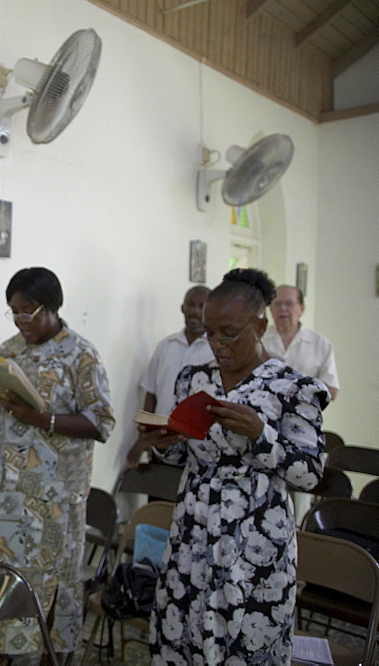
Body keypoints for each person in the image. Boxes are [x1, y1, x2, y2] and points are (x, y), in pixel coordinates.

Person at [130, 268, 328, 664]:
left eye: (229, 332)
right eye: (210, 333)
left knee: (243, 644)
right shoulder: (194, 380)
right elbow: (189, 453)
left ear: (260, 325)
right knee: (183, 637)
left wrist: (261, 435)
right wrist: (167, 445)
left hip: (254, 544)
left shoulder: (293, 388)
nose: (217, 344)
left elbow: (310, 473)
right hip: (193, 536)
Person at [0, 267, 115, 657]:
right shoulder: (10, 350)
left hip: (51, 501)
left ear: (52, 307)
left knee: (46, 583)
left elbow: (102, 422)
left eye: (27, 311)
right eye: (13, 311)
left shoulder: (80, 355)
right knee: (0, 579)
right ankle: (0, 652)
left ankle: (45, 654)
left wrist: (43, 419)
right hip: (2, 495)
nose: (19, 320)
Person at [140, 285, 213, 417]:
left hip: (199, 435)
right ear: (182, 308)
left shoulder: (216, 351)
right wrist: (145, 430)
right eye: (191, 305)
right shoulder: (165, 346)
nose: (195, 312)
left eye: (202, 306)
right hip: (162, 431)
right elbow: (151, 393)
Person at [263, 284, 340, 399]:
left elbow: (332, 390)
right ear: (270, 309)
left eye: (289, 304)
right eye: (278, 304)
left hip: (304, 412)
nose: (283, 308)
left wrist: (299, 389)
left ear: (301, 308)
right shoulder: (259, 339)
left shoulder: (320, 343)